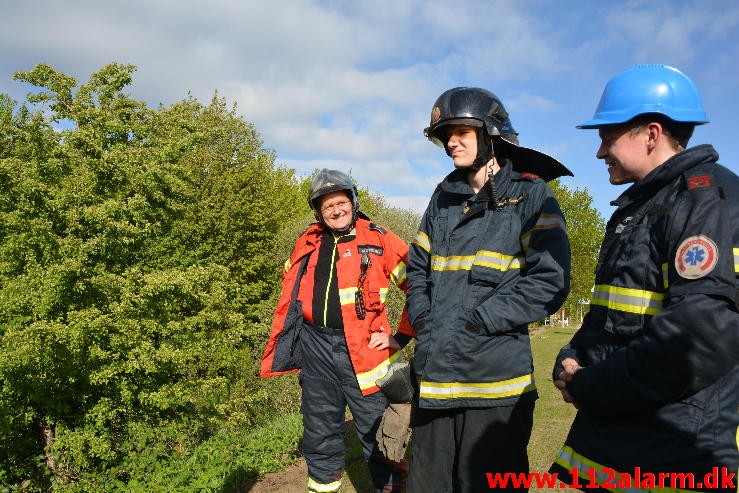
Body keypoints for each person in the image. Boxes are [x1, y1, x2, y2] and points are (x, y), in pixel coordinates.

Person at [551, 64, 739, 492]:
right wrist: (571, 356)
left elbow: (700, 336)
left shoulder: (703, 201)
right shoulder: (637, 209)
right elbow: (611, 313)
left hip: (673, 453)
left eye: (607, 136)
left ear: (651, 134)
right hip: (620, 442)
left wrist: (590, 384)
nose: (600, 152)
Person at [405, 87, 572, 492]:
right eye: (445, 134)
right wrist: (424, 319)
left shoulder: (532, 194)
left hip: (495, 390)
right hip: (433, 383)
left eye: (460, 131)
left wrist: (481, 322)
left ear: (490, 135)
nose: (450, 142)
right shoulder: (442, 198)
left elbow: (549, 279)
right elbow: (417, 267)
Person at [260, 169, 414, 493]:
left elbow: (422, 288)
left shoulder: (379, 238)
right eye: (327, 205)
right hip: (315, 349)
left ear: (353, 202)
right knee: (319, 435)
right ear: (319, 211)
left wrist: (399, 337)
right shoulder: (307, 240)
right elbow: (289, 286)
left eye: (341, 202)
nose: (335, 210)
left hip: (365, 353)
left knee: (379, 435)